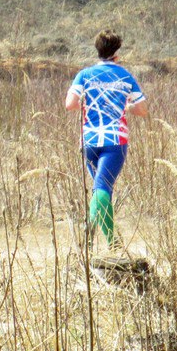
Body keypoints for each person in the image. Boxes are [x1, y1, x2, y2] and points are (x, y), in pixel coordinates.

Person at [64, 30, 147, 250]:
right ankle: (101, 239)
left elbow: (70, 104)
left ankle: (102, 242)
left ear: (98, 51)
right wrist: (126, 106)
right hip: (114, 141)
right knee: (102, 188)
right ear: (117, 54)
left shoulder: (84, 75)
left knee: (101, 191)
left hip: (89, 140)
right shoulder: (125, 76)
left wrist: (85, 99)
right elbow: (142, 109)